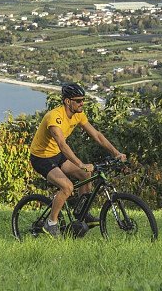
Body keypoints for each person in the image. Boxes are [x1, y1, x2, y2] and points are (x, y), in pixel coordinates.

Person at [29, 82, 127, 237]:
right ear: (68, 101)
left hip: (56, 155)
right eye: (79, 100)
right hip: (41, 158)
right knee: (67, 187)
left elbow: (97, 135)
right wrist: (80, 164)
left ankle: (82, 214)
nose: (82, 103)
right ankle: (51, 223)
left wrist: (116, 153)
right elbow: (62, 144)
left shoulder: (78, 114)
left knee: (85, 175)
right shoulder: (54, 117)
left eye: (83, 100)